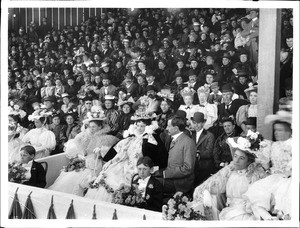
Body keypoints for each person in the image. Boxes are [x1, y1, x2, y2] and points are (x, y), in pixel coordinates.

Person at [85, 112, 167, 202]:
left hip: (138, 166)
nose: (139, 128)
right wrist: (107, 157)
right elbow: (117, 149)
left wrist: (154, 167)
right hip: (123, 163)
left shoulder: (152, 139)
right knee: (109, 174)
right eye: (138, 125)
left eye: (142, 126)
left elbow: (158, 155)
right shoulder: (131, 137)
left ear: (147, 127)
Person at [192, 132, 270, 220]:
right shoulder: (230, 172)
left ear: (249, 162)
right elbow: (215, 186)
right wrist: (205, 193)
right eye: (235, 156)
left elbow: (260, 198)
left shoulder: (255, 175)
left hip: (247, 214)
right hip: (228, 211)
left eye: (241, 158)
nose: (236, 161)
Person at [48, 107, 119, 196]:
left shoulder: (106, 139)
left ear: (100, 127)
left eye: (94, 127)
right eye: (90, 126)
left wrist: (101, 151)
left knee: (86, 180)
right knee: (71, 177)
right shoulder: (83, 136)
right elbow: (74, 148)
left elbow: (109, 155)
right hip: (83, 162)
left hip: (95, 164)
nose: (91, 128)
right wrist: (80, 154)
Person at [244, 110, 292, 220]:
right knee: (256, 191)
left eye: (280, 130)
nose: (276, 133)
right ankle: (267, 219)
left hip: (289, 179)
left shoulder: (293, 144)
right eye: (275, 130)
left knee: (283, 198)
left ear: (289, 131)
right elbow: (266, 163)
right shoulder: (273, 145)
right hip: (274, 177)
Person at [155, 116, 197, 197]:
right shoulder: (174, 139)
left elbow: (188, 168)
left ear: (176, 128)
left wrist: (166, 173)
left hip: (181, 183)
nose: (167, 128)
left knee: (153, 183)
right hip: (172, 178)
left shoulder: (188, 142)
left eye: (169, 126)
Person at [190, 112, 216, 186]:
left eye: (199, 123)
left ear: (203, 123)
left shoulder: (209, 135)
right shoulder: (191, 134)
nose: (196, 125)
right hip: (192, 167)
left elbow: (209, 153)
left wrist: (197, 152)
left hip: (204, 167)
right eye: (194, 123)